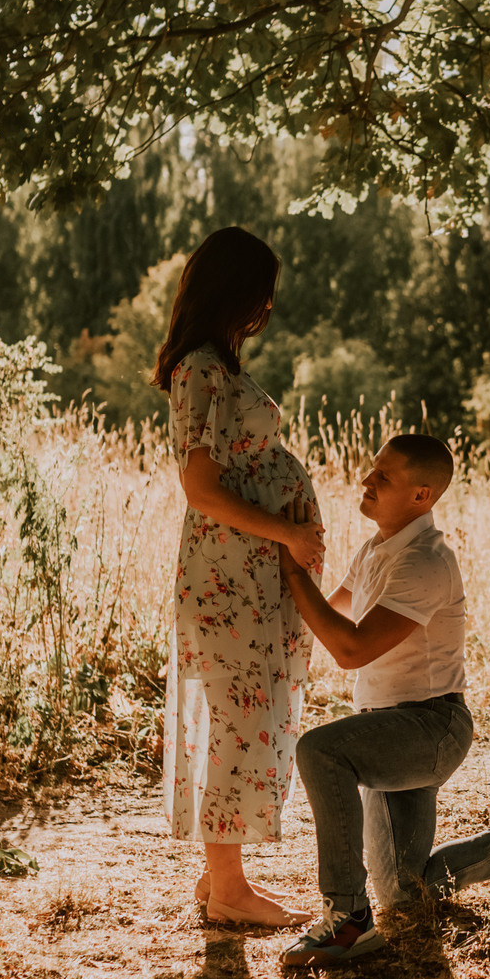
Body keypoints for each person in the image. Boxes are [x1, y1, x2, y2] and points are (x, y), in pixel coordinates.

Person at [271, 435, 490, 970]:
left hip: (429, 727)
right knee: (402, 892)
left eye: (383, 477)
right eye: (371, 470)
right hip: (388, 728)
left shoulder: (425, 561)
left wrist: (292, 568)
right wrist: (291, 546)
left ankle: (347, 920)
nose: (366, 481)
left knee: (322, 752)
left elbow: (349, 648)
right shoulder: (377, 548)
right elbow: (332, 609)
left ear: (421, 495)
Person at [154, 226, 326, 926]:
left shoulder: (217, 365)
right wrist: (286, 530)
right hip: (230, 574)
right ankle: (228, 886)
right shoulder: (200, 368)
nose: (267, 307)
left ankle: (217, 873)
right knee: (236, 717)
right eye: (261, 292)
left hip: (245, 573)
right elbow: (201, 487)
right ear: (237, 291)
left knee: (240, 713)